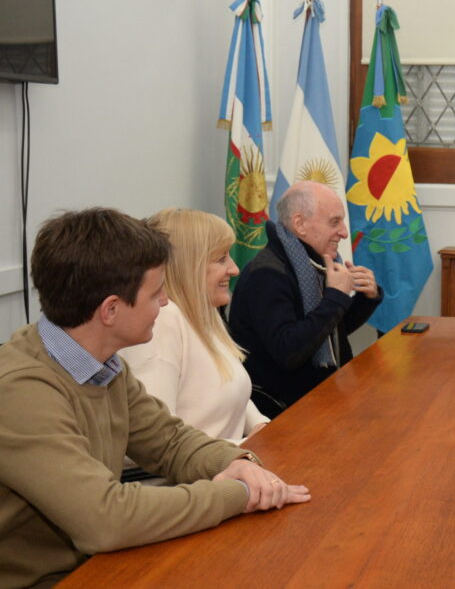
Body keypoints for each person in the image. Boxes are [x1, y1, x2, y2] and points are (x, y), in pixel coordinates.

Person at [0, 208, 309, 589]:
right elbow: (105, 520)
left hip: (97, 563)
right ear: (111, 309)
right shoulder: (19, 392)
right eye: (156, 292)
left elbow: (170, 442)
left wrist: (236, 462)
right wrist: (237, 494)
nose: (166, 302)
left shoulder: (102, 362)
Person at [229, 181, 382, 417]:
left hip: (321, 400)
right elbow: (289, 352)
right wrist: (335, 297)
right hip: (282, 414)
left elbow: (328, 333)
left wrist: (365, 299)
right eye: (334, 222)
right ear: (300, 224)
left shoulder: (311, 262)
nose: (343, 232)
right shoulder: (267, 274)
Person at [120, 208, 268, 443]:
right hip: (191, 477)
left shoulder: (202, 314)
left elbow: (228, 383)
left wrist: (259, 424)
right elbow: (156, 439)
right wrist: (247, 447)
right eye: (221, 259)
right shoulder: (162, 322)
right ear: (189, 265)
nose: (235, 269)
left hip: (226, 467)